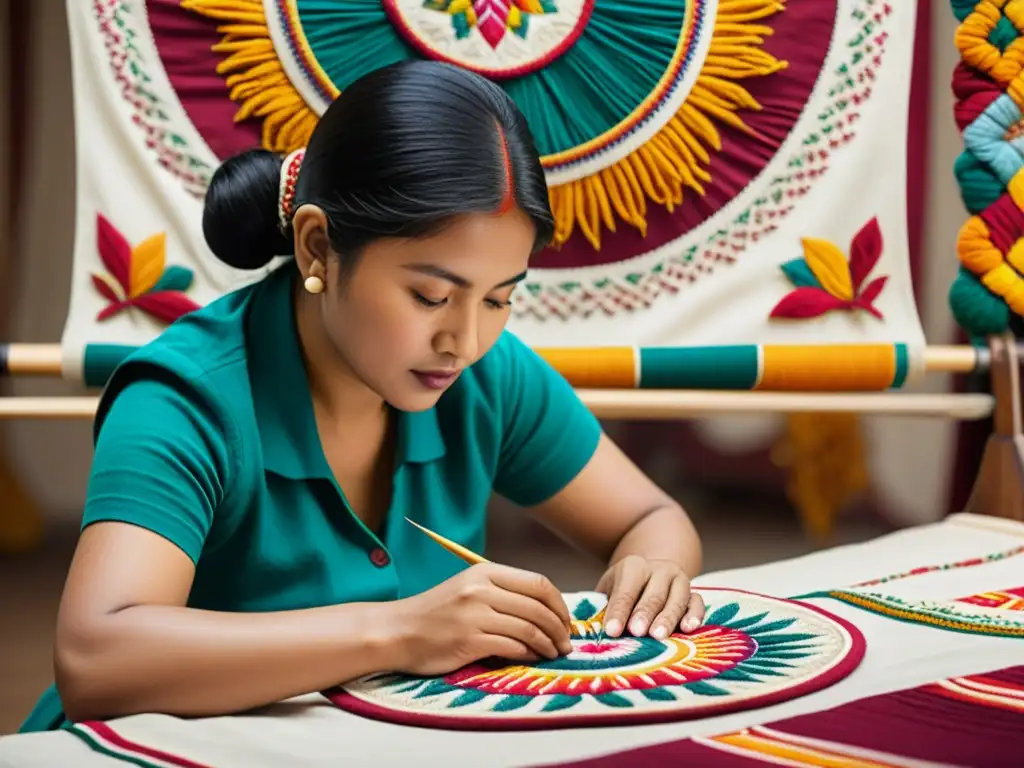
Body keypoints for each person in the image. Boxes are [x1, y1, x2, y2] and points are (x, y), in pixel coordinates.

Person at [20, 60, 703, 732]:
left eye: (500, 298)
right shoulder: (184, 400)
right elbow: (96, 660)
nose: (464, 340)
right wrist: (400, 632)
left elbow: (647, 516)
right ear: (318, 248)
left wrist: (656, 570)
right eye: (430, 295)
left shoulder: (485, 376)